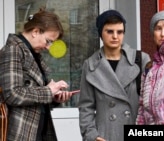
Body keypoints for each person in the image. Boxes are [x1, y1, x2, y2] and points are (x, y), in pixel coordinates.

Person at [0, 8, 75, 141]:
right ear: (35, 32)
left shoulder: (33, 54)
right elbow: (12, 94)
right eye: (48, 41)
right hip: (21, 134)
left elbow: (34, 95)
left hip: (39, 131)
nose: (48, 47)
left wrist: (54, 97)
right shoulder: (13, 50)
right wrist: (48, 91)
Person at [78, 9, 151, 141]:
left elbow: (152, 101)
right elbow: (86, 107)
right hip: (105, 135)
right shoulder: (90, 65)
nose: (115, 36)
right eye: (110, 31)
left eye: (120, 32)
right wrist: (92, 136)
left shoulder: (141, 60)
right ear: (101, 33)